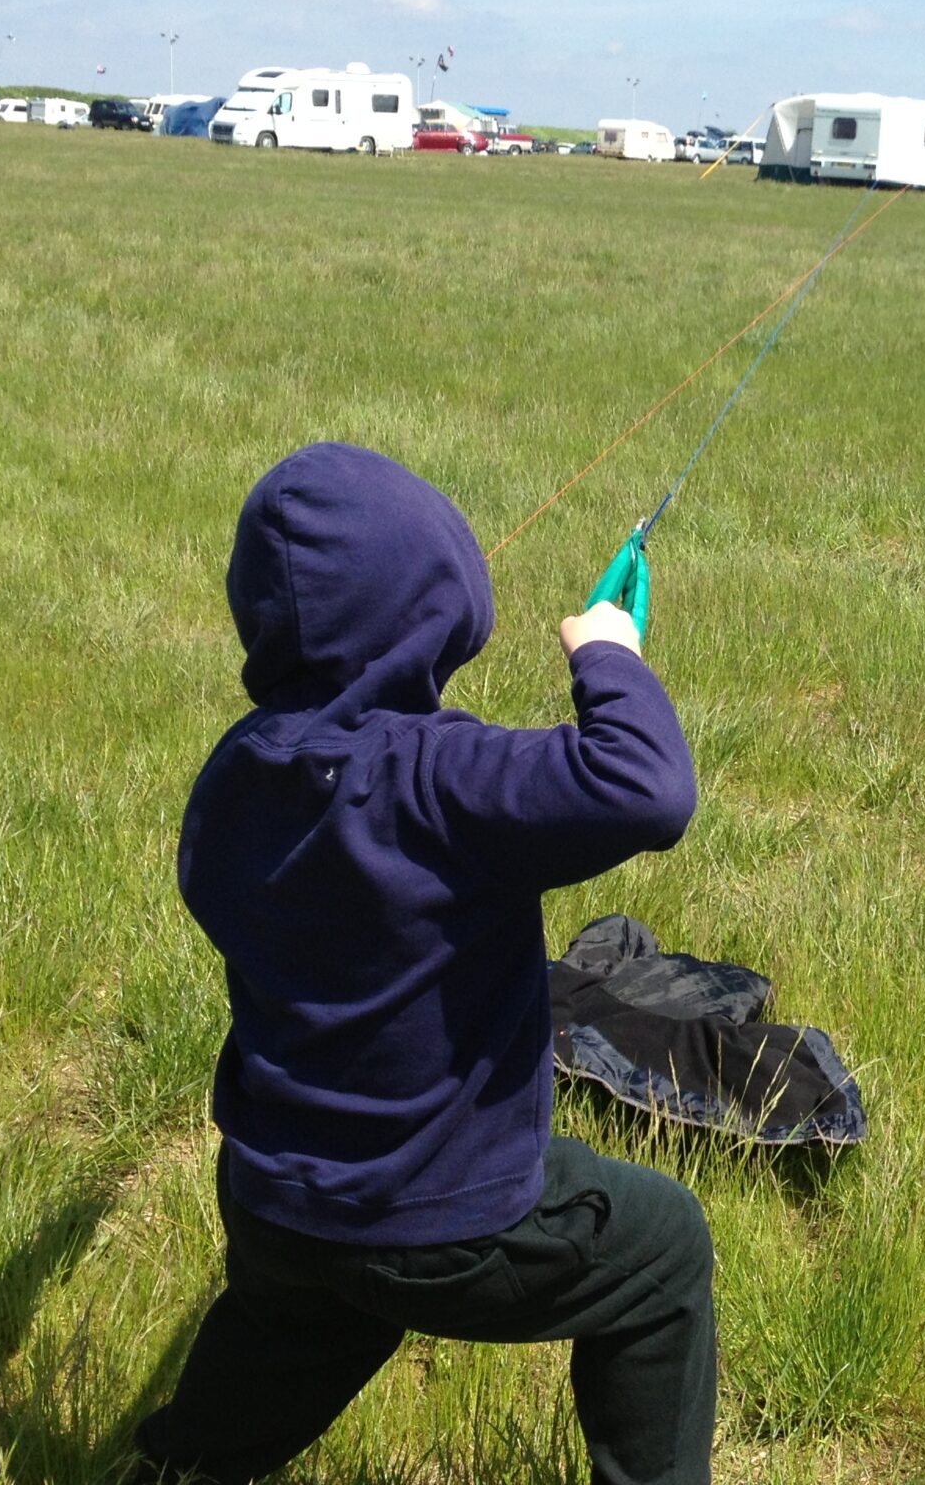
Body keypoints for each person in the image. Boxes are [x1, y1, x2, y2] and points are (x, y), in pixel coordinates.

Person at [133, 442, 711, 1485]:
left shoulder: (235, 772)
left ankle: (184, 1468)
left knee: (297, 1324)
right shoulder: (446, 777)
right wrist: (610, 656)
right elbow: (647, 787)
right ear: (437, 610)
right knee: (663, 1248)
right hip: (438, 1214)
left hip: (274, 1194)